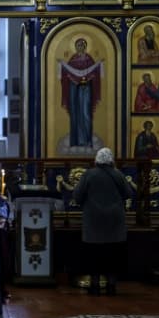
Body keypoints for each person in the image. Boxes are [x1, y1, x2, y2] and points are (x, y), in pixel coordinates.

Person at [73, 147, 132, 296]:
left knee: (94, 255)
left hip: (93, 221)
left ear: (96, 160)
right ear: (111, 160)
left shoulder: (89, 174)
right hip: (114, 222)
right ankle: (111, 286)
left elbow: (78, 196)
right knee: (113, 255)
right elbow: (128, 193)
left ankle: (94, 285)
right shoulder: (118, 174)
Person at [60, 38, 102, 148]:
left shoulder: (89, 59)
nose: (80, 47)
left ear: (85, 47)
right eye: (78, 45)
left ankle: (87, 141)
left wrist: (87, 78)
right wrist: (72, 78)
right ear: (75, 47)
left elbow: (95, 73)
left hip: (86, 88)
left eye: (82, 45)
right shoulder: (73, 59)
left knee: (85, 113)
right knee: (75, 113)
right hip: (74, 88)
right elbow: (66, 73)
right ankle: (75, 141)